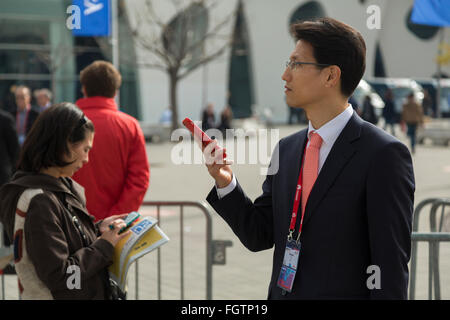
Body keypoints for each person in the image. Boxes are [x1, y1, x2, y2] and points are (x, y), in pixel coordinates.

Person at [202, 18, 414, 299]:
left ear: (330, 76)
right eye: (287, 64)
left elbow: (389, 268)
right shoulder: (287, 150)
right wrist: (225, 181)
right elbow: (259, 234)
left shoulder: (383, 155)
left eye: (296, 64)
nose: (285, 75)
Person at [0, 103, 130, 299]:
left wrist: (97, 230)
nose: (87, 159)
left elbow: (62, 243)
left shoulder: (57, 188)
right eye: (85, 149)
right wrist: (104, 246)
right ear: (65, 145)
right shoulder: (40, 202)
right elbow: (64, 278)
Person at [72, 61, 150, 221]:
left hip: (70, 221)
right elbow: (139, 179)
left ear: (84, 89)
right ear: (115, 92)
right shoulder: (130, 125)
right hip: (114, 229)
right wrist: (115, 218)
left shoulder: (64, 121)